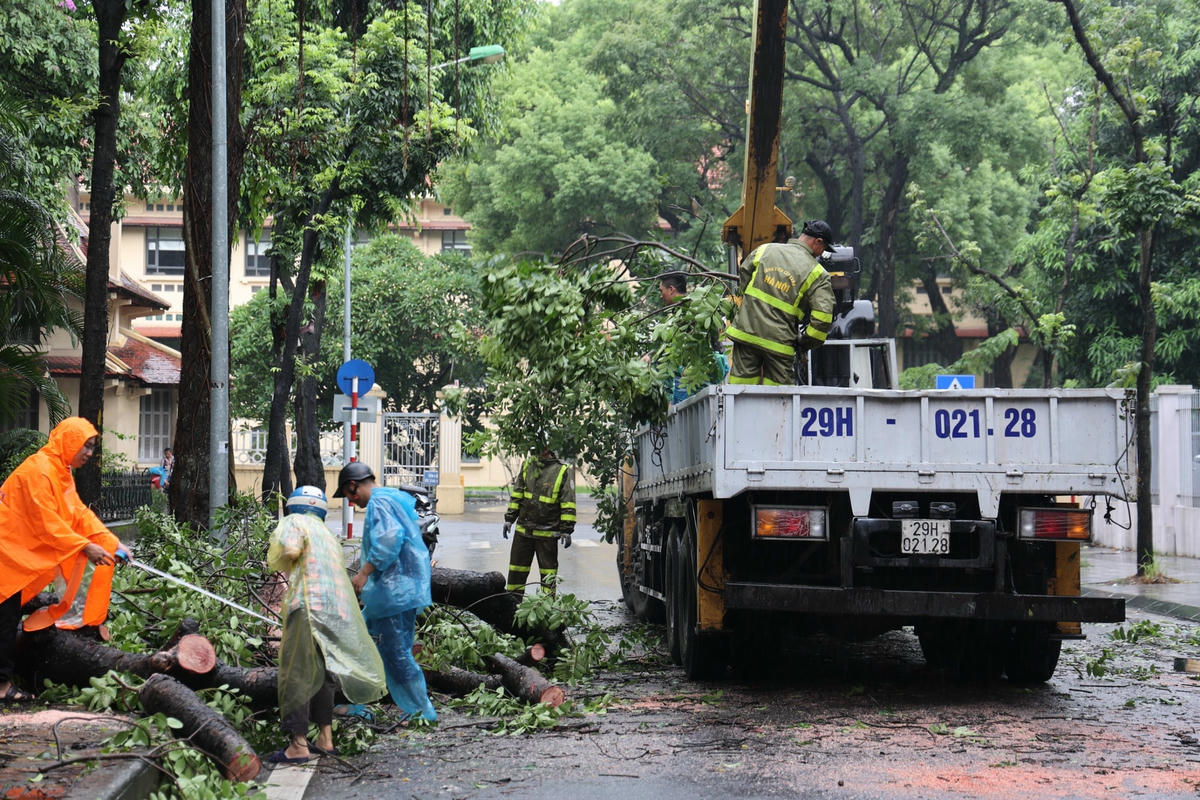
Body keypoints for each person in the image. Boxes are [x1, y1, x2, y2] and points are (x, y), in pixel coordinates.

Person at [0, 417, 131, 703]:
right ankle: (1, 687)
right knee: (5, 622)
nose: (89, 453)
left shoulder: (60, 471)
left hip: (12, 555)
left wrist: (111, 542)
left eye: (93, 447)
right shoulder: (40, 469)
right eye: (86, 445)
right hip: (5, 553)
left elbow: (78, 515)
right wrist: (85, 547)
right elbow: (47, 522)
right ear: (69, 441)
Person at [265, 486, 386, 764]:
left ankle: (297, 745)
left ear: (294, 506)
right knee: (324, 672)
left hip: (307, 607)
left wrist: (284, 552)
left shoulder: (296, 522)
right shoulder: (328, 535)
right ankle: (325, 738)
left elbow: (292, 550)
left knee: (297, 671)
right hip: (335, 609)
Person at [334, 462, 437, 722]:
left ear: (352, 486)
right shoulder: (388, 499)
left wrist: (364, 572)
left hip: (395, 594)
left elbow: (390, 539)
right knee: (368, 644)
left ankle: (421, 711)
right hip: (392, 593)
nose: (349, 501)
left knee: (396, 652)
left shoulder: (379, 503)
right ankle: (362, 705)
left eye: (347, 495)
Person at [726, 219, 836, 386]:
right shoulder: (818, 273)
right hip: (780, 345)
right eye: (824, 249)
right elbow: (822, 318)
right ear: (818, 242)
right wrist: (804, 344)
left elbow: (743, 283)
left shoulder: (765, 249)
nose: (821, 254)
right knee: (779, 398)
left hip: (746, 335)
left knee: (741, 389)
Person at [503, 449, 576, 595]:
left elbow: (567, 502)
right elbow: (517, 494)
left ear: (549, 450)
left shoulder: (561, 470)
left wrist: (567, 529)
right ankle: (512, 609)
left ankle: (546, 609)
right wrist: (509, 519)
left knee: (548, 576)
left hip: (547, 534)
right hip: (524, 531)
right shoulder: (527, 465)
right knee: (516, 573)